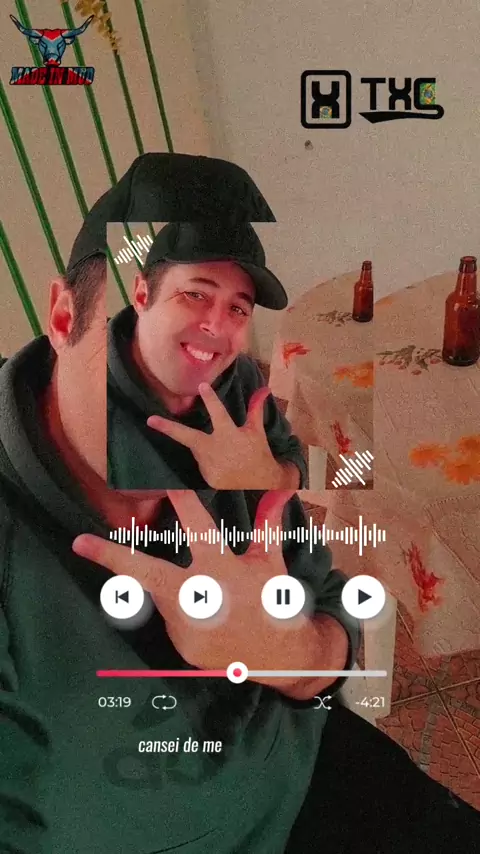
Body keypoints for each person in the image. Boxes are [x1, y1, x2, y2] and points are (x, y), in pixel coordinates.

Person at [107, 221, 307, 490]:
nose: (216, 327)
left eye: (237, 309)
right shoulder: (84, 412)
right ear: (143, 295)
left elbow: (290, 454)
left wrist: (272, 477)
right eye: (195, 295)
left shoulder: (243, 376)